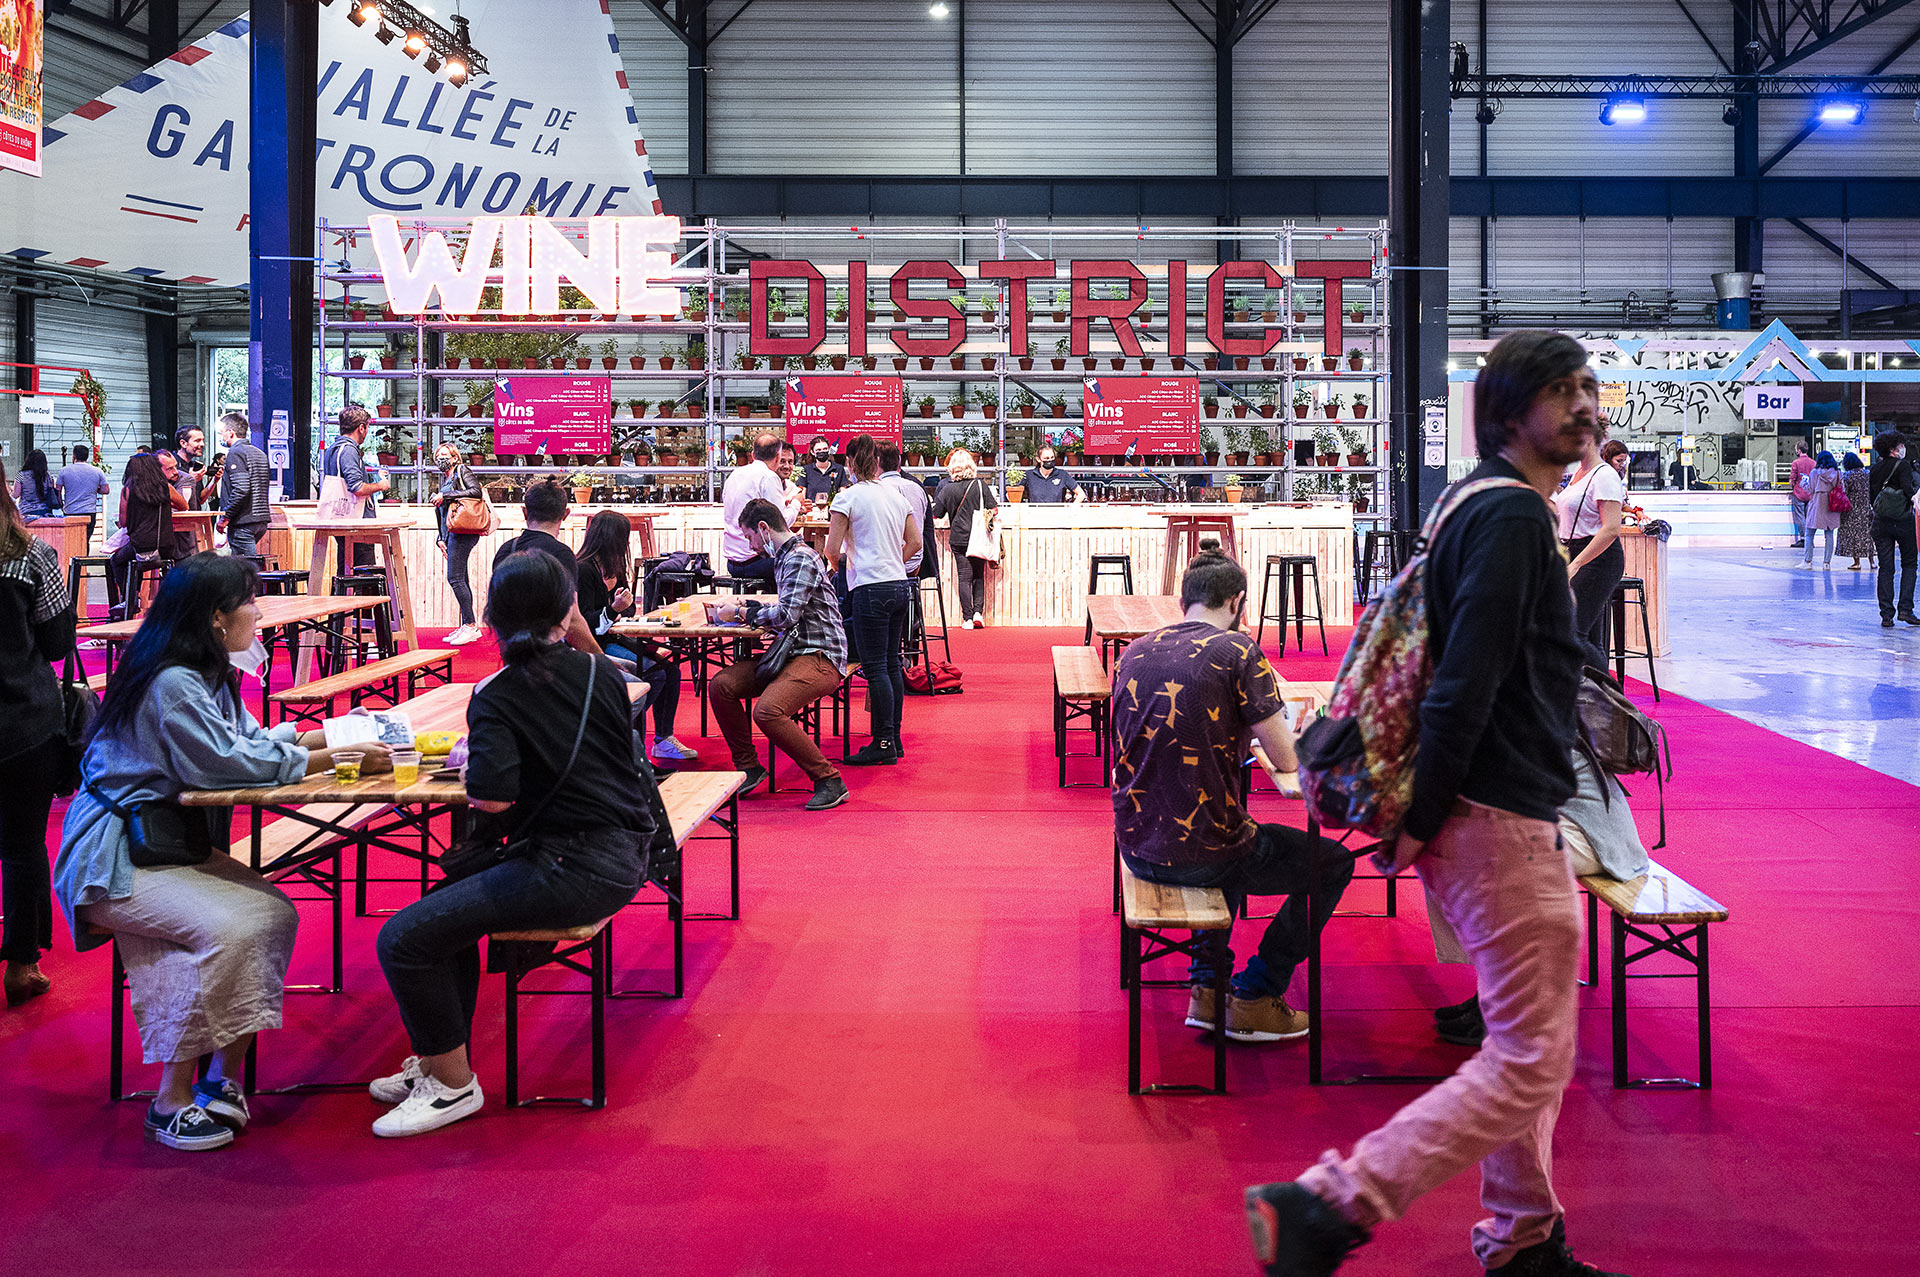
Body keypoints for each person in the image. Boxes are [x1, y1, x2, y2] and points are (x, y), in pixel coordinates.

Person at [1246, 330, 1623, 1277]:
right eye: (1561, 389)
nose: (1585, 405)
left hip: (1483, 812)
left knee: (1518, 1041)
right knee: (1535, 1058)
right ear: (1508, 411)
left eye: (1588, 386)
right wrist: (1421, 818)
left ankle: (1524, 1239)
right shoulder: (1507, 518)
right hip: (1493, 817)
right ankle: (1331, 1203)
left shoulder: (1478, 502)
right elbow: (1465, 681)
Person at [54, 555, 388, 1151]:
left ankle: (222, 1077)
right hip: (115, 855)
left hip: (161, 844)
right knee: (238, 924)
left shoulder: (198, 671)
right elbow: (226, 765)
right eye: (250, 602)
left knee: (274, 913)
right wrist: (334, 756)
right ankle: (171, 1098)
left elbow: (246, 742)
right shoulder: (173, 681)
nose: (259, 613)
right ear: (215, 618)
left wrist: (325, 734)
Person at [371, 550, 656, 1138]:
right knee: (446, 900)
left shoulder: (498, 692)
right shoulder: (602, 672)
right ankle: (437, 1058)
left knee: (403, 938)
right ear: (568, 607)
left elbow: (493, 801)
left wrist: (474, 757)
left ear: (495, 614)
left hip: (568, 866)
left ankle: (452, 1085)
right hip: (628, 851)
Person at [1112, 540, 1354, 1043]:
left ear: (1183, 602)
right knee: (1328, 862)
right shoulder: (1238, 651)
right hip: (1204, 849)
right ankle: (1257, 993)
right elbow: (1285, 760)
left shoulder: (1135, 651)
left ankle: (1208, 986)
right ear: (1238, 603)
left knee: (1222, 822)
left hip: (1136, 843)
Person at [707, 499, 850, 811]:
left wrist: (740, 612)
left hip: (821, 656)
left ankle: (829, 779)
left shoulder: (798, 558)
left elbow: (786, 615)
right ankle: (749, 769)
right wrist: (749, 612)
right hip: (792, 653)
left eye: (749, 537)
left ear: (763, 528)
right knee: (721, 685)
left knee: (767, 711)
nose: (750, 545)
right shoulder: (787, 557)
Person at [0, 460, 74, 1008]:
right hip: (23, 721)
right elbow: (55, 646)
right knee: (23, 846)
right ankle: (22, 963)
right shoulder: (31, 557)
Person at [826, 434, 920, 766]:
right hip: (898, 584)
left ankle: (881, 743)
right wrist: (892, 558)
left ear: (850, 462)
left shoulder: (846, 498)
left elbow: (830, 549)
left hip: (869, 587)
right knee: (892, 663)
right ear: (878, 462)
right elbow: (915, 542)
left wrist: (849, 566)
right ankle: (892, 738)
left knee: (876, 666)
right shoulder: (896, 495)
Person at [575, 507, 695, 763]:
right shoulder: (583, 570)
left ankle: (662, 739)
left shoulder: (614, 566)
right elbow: (584, 622)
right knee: (653, 673)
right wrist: (612, 608)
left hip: (617, 635)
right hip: (595, 644)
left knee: (670, 670)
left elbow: (628, 606)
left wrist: (618, 607)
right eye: (624, 537)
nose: (627, 543)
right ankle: (622, 735)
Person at [491, 479, 602, 654]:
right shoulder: (562, 555)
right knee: (633, 672)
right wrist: (602, 660)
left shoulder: (506, 550)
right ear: (565, 514)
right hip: (552, 655)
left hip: (512, 654)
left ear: (525, 512)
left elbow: (498, 612)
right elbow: (572, 619)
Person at [1553, 419, 1626, 666]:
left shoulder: (1604, 475)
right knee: (1590, 639)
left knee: (1570, 633)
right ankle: (1600, 698)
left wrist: (1577, 564)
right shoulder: (1578, 474)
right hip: (1575, 553)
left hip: (1598, 559)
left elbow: (1611, 529)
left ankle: (1609, 697)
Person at [108, 452, 192, 615]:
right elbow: (184, 505)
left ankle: (130, 599)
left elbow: (123, 521)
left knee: (118, 560)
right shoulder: (165, 487)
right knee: (134, 561)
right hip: (167, 546)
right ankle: (144, 599)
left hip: (142, 546)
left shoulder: (128, 490)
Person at [932, 448, 998, 628]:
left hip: (958, 538)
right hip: (979, 536)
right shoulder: (980, 486)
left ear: (952, 468)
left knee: (964, 577)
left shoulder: (947, 490)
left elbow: (936, 514)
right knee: (978, 576)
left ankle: (967, 618)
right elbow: (994, 509)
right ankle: (978, 613)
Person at [429, 444, 485, 645]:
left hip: (464, 531)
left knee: (454, 578)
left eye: (444, 455)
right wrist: (441, 538)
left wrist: (446, 495)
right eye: (437, 456)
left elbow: (476, 492)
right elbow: (444, 513)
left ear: (455, 457)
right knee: (462, 578)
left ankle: (470, 626)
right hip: (453, 532)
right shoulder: (447, 478)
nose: (440, 459)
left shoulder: (462, 470)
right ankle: (467, 624)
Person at [324, 407, 389, 573]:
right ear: (361, 428)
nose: (366, 432)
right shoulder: (348, 450)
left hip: (339, 519)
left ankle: (343, 598)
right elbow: (357, 487)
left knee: (346, 567)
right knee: (364, 572)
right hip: (356, 522)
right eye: (366, 427)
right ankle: (363, 599)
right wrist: (381, 485)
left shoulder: (332, 449)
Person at [719, 432, 787, 585]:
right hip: (756, 562)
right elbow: (781, 524)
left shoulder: (734, 475)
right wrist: (796, 504)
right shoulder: (768, 477)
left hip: (732, 563)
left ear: (753, 455)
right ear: (777, 457)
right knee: (799, 560)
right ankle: (779, 606)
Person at [1869, 431, 1919, 628]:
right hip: (1903, 521)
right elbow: (1908, 490)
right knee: (1909, 564)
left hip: (1881, 522)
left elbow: (1872, 497)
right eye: (1900, 445)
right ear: (1893, 449)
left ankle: (1886, 615)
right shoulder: (1903, 465)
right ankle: (1905, 610)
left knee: (1886, 567)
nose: (1903, 448)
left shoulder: (1875, 468)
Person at [214, 413, 272, 561]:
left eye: (222, 432)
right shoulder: (259, 453)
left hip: (243, 522)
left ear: (230, 432)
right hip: (260, 521)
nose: (221, 436)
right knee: (248, 567)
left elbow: (241, 489)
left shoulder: (235, 453)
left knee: (245, 571)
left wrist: (226, 517)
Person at [878, 441, 933, 578]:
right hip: (915, 564)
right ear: (899, 461)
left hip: (887, 567)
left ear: (876, 461)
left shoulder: (876, 489)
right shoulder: (917, 487)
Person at [54, 443, 110, 547]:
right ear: (87, 456)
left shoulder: (64, 471)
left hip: (71, 511)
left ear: (74, 456)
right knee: (85, 541)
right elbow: (105, 490)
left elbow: (57, 490)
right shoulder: (98, 471)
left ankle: (72, 561)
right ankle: (83, 561)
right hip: (89, 512)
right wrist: (94, 489)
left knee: (71, 541)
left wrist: (61, 505)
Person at [1800, 450, 1842, 570]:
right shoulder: (1838, 473)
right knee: (1829, 534)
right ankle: (1827, 563)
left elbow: (1810, 488)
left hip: (1817, 505)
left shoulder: (1815, 473)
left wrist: (1804, 481)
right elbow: (1842, 487)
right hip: (1832, 505)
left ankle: (1808, 561)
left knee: (1809, 534)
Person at [1836, 452, 1875, 571]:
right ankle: (1872, 562)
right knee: (1867, 536)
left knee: (1853, 537)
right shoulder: (1868, 474)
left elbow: (1844, 492)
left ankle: (1856, 562)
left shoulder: (1847, 476)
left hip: (1851, 511)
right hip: (1866, 509)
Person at [799, 436, 852, 506]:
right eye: (818, 450)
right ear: (812, 452)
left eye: (825, 449)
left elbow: (843, 492)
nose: (822, 452)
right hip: (813, 510)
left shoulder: (839, 469)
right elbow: (802, 493)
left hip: (833, 508)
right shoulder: (806, 470)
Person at [11, 448, 56, 520]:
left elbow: (16, 495)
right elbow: (51, 492)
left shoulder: (21, 475)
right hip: (45, 512)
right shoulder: (48, 476)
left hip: (27, 512)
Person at [170, 427, 209, 509]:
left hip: (195, 518)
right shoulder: (170, 465)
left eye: (202, 440)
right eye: (197, 441)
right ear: (183, 443)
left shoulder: (195, 466)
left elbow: (200, 500)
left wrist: (215, 480)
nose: (202, 444)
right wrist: (190, 480)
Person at [776, 440, 809, 526]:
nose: (787, 466)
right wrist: (796, 502)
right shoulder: (766, 484)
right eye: (782, 461)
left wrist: (802, 510)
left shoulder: (792, 487)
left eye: (790, 462)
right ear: (773, 461)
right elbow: (780, 523)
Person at [1789, 439, 1814, 549]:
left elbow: (1792, 479)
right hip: (1810, 493)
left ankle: (1803, 539)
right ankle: (1810, 540)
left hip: (1799, 493)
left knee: (1800, 517)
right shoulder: (1813, 463)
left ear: (1799, 450)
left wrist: (1792, 487)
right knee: (1809, 517)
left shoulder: (1796, 463)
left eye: (1796, 449)